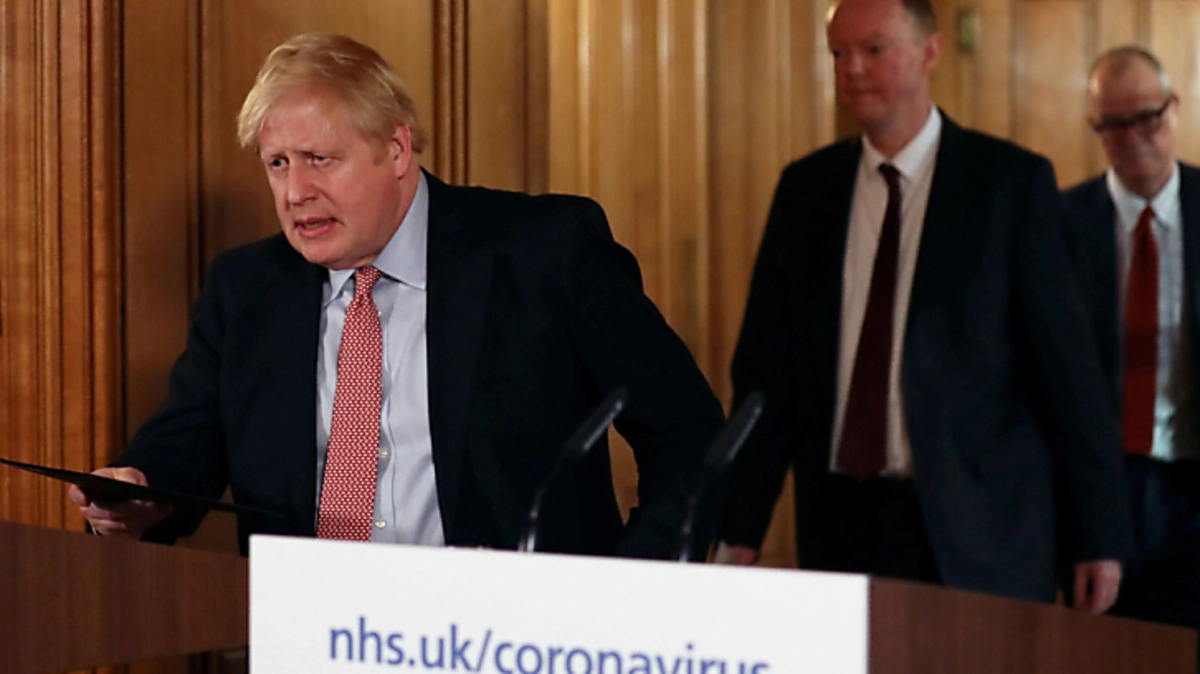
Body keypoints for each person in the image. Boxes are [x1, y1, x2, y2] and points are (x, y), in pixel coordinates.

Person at [69, 33, 724, 559]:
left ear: (397, 149)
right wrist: (137, 491)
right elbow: (184, 447)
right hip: (314, 641)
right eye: (277, 164)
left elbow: (688, 435)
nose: (295, 193)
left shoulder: (543, 251)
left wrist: (630, 591)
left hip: (511, 643)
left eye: (319, 159)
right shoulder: (247, 289)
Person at [715, 0, 1133, 611]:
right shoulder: (807, 191)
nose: (853, 69)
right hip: (841, 521)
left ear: (930, 52)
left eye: (874, 49)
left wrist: (1097, 536)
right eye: (838, 53)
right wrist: (739, 526)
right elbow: (767, 375)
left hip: (983, 528)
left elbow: (1069, 374)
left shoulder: (1007, 184)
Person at [1061, 46, 1200, 659]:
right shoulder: (1060, 222)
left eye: (1146, 117)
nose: (1133, 137)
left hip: (1191, 484)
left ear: (1174, 108)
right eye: (1113, 125)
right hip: (1101, 490)